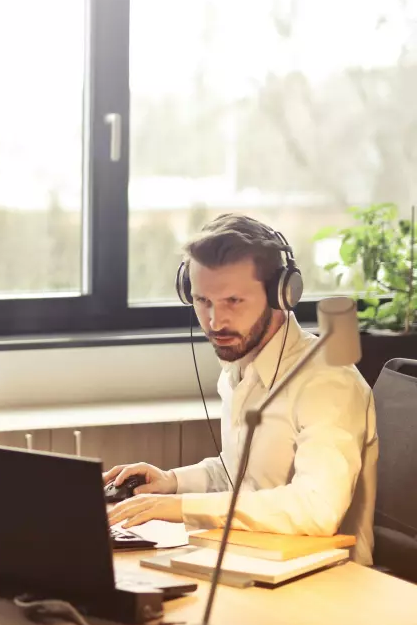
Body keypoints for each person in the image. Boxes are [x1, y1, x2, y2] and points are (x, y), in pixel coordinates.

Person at [106, 213, 377, 564]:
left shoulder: (328, 382)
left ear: (282, 294)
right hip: (252, 559)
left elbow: (316, 509)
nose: (215, 322)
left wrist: (180, 507)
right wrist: (172, 482)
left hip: (328, 583)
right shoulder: (240, 367)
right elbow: (241, 476)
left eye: (233, 301)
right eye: (203, 301)